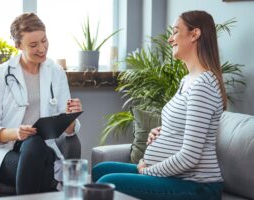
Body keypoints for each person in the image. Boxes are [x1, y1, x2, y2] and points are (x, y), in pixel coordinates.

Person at [92, 10, 226, 200]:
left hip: (197, 185)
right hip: (176, 176)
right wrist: (164, 130)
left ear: (195, 34)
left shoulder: (203, 85)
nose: (170, 39)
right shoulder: (187, 80)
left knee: (107, 181)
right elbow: (188, 128)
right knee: (101, 170)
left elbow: (190, 156)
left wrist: (147, 171)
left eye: (175, 32)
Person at [0, 13, 82, 199]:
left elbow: (68, 130)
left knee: (34, 144)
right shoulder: (1, 74)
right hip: (3, 150)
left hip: (41, 148)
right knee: (39, 162)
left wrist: (72, 115)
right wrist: (16, 133)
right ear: (18, 45)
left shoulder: (56, 72)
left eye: (44, 41)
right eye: (33, 45)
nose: (42, 48)